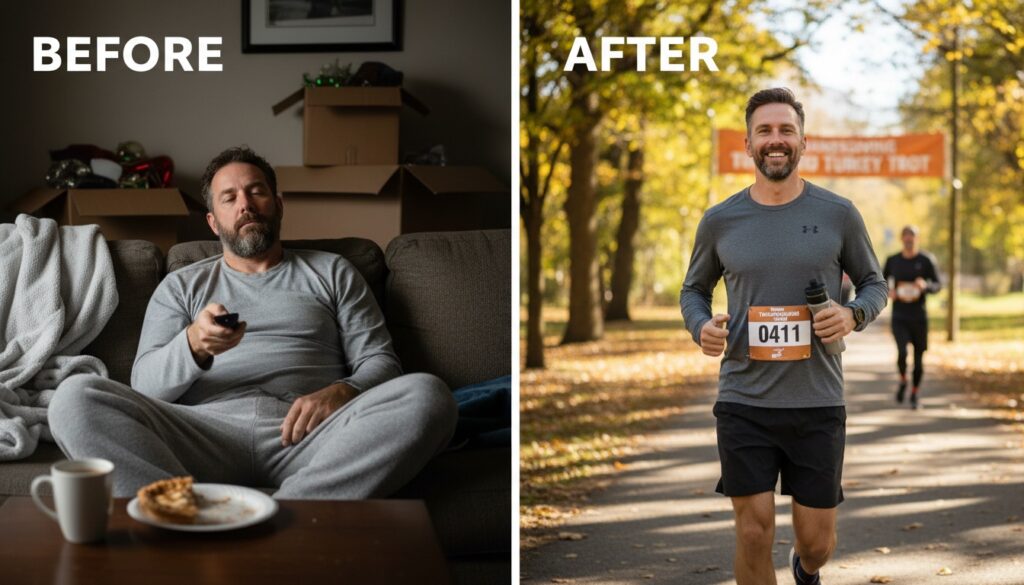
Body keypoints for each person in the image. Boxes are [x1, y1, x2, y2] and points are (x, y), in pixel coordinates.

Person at [49, 146, 457, 499]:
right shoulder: (181, 286)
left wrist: (342, 390)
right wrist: (193, 345)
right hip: (202, 434)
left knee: (428, 395)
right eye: (229, 198)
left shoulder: (334, 271)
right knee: (74, 397)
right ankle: (180, 510)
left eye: (256, 191)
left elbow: (382, 362)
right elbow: (145, 385)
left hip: (311, 435)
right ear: (213, 221)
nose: (245, 204)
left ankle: (291, 512)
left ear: (277, 205)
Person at [680, 88, 888, 585]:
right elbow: (693, 289)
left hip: (816, 399)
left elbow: (875, 285)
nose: (776, 140)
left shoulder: (839, 213)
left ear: (802, 141)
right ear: (748, 145)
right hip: (743, 397)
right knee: (752, 533)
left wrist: (853, 315)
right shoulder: (720, 220)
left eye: (786, 130)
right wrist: (700, 326)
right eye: (765, 131)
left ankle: (804, 569)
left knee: (817, 544)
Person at [883, 225, 941, 409]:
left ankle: (915, 393)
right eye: (906, 237)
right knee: (902, 353)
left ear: (917, 239)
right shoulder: (893, 260)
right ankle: (902, 380)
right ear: (901, 239)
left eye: (912, 237)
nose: (909, 240)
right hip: (899, 315)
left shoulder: (926, 260)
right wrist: (888, 291)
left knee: (918, 359)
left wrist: (926, 286)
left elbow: (938, 285)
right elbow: (878, 282)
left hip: (919, 317)